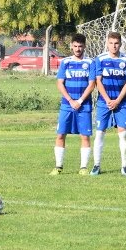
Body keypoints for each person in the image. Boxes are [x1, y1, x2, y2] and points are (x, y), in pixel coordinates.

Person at [51, 33, 96, 175]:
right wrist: (71, 100)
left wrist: (80, 101)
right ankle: (58, 166)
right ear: (71, 46)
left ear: (84, 47)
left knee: (85, 136)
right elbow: (59, 83)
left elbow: (92, 84)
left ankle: (83, 167)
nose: (77, 49)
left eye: (80, 46)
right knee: (60, 134)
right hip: (66, 105)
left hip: (84, 106)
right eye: (75, 46)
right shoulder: (65, 62)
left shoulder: (90, 63)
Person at [93, 31, 126, 176]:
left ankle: (124, 166)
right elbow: (98, 81)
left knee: (123, 135)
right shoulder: (100, 59)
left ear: (120, 44)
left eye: (116, 43)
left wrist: (117, 101)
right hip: (103, 102)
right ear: (107, 43)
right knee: (99, 134)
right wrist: (108, 100)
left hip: (121, 103)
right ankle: (96, 165)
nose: (113, 46)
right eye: (111, 43)